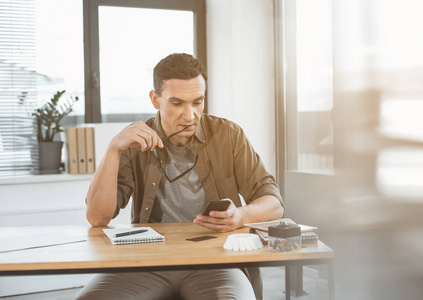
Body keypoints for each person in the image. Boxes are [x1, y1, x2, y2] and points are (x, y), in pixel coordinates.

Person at [75, 53, 284, 300]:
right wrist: (113, 148)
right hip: (148, 261)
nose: (190, 115)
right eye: (177, 103)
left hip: (216, 261)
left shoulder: (229, 134)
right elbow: (97, 218)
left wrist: (240, 216)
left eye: (197, 102)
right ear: (155, 99)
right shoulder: (134, 141)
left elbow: (274, 204)